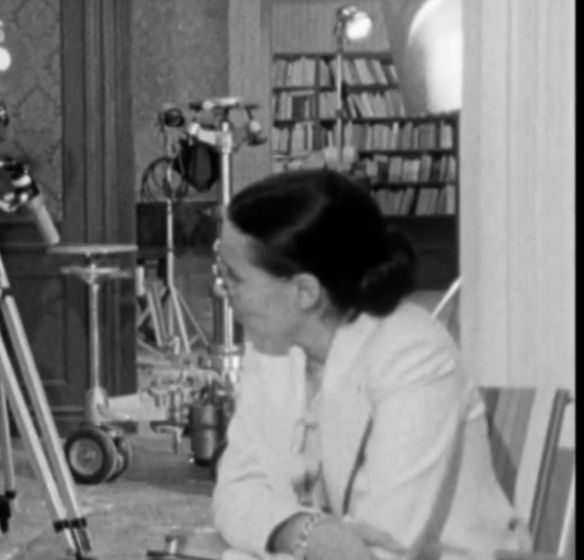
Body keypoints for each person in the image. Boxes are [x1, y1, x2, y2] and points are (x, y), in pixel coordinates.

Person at [210, 169, 530, 560]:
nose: (221, 289)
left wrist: (288, 531)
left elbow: (384, 544)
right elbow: (233, 493)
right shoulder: (273, 348)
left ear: (304, 292)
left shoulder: (413, 354)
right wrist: (301, 531)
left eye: (233, 277)